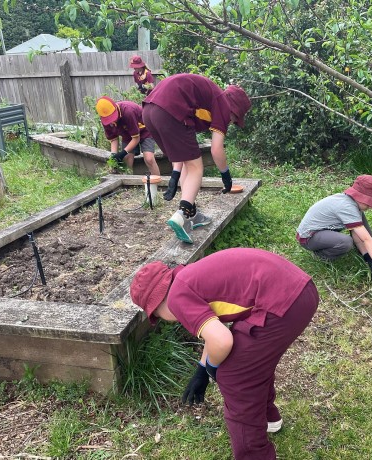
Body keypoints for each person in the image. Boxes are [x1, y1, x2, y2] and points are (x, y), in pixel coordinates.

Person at [129, 247, 320, 460]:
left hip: (283, 304)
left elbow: (222, 340)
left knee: (236, 376)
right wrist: (202, 369)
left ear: (157, 305)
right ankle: (268, 418)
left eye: (157, 315)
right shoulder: (189, 277)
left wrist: (214, 367)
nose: (162, 318)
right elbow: (215, 333)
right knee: (251, 362)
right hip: (300, 290)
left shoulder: (176, 297)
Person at [142, 73, 251, 243]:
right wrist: (226, 176)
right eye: (235, 119)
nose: (231, 123)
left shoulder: (207, 101)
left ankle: (191, 214)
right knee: (196, 167)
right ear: (234, 110)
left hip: (149, 111)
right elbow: (216, 149)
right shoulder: (223, 104)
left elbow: (182, 155)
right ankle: (182, 214)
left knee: (189, 163)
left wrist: (174, 175)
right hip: (169, 111)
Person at [296, 174, 372, 281]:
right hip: (309, 237)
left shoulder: (354, 205)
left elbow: (359, 238)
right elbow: (365, 239)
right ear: (359, 197)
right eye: (369, 203)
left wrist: (368, 259)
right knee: (345, 242)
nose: (371, 206)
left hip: (323, 231)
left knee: (365, 232)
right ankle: (320, 256)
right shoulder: (346, 207)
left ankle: (368, 254)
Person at [95, 96, 161, 176]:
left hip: (145, 130)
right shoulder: (106, 121)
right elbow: (114, 139)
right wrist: (114, 157)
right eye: (109, 119)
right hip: (127, 134)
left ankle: (157, 184)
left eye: (113, 117)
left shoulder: (128, 111)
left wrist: (123, 152)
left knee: (149, 159)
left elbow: (136, 138)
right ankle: (129, 184)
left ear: (116, 109)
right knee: (127, 160)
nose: (112, 121)